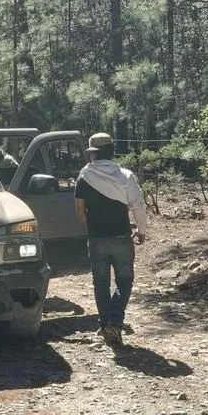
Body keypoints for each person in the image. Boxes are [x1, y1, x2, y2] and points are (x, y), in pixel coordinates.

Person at [75, 132, 149, 348]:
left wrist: (91, 229)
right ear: (112, 151)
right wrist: (141, 230)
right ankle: (115, 322)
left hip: (97, 238)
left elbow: (79, 210)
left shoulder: (84, 176)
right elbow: (138, 205)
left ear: (93, 154)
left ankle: (106, 323)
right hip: (121, 237)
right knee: (124, 281)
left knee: (100, 283)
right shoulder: (125, 176)